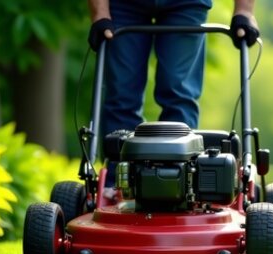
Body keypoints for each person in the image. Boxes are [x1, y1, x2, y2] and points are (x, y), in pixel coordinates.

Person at [86, 0, 258, 190]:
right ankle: (118, 186)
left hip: (186, 4)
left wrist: (244, 11)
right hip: (123, 6)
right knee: (121, 96)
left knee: (178, 93)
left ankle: (177, 184)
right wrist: (99, 12)